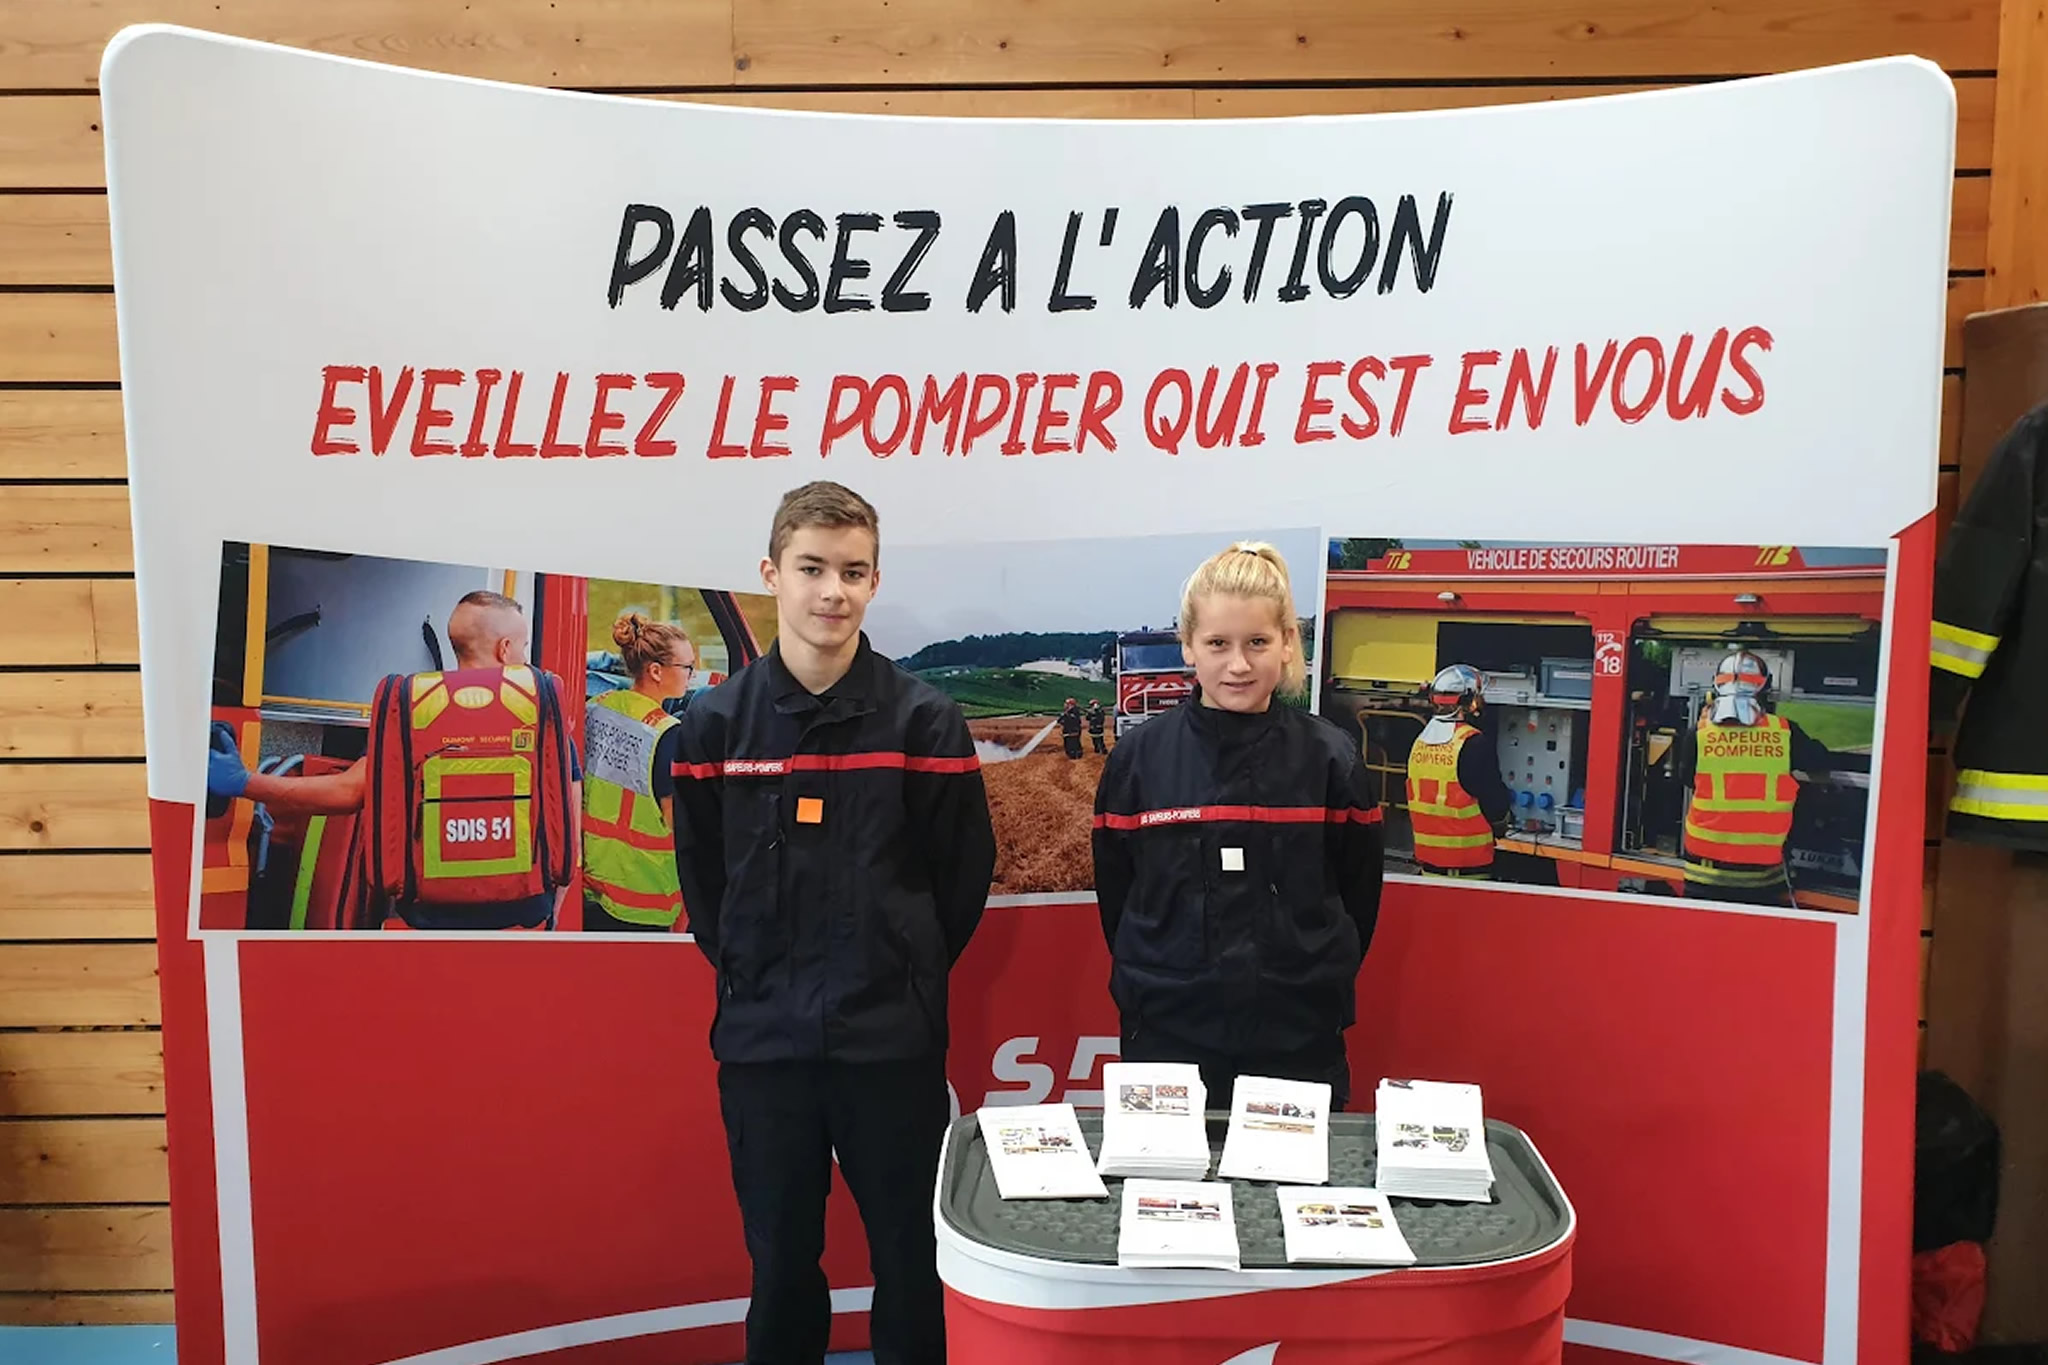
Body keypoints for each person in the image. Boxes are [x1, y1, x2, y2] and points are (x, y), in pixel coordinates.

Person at [670, 481, 996, 1365]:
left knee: (912, 1262)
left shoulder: (925, 721)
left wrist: (903, 967)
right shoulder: (714, 725)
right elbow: (704, 883)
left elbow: (961, 878)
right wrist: (754, 967)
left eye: (852, 572)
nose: (832, 591)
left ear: (874, 581)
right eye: (812, 568)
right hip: (764, 1048)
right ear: (771, 573)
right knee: (780, 1266)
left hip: (890, 1046)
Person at [1091, 542, 1384, 1111]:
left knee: (1292, 1174)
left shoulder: (1332, 759)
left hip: (1299, 1042)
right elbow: (1119, 897)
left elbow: (1358, 896)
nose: (1239, 665)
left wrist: (1310, 977)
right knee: (1167, 1174)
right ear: (1188, 646)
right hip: (1166, 1037)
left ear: (1288, 642)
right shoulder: (1138, 761)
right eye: (1218, 644)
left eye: (1257, 643)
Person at [204, 590, 582, 930]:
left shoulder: (415, 712)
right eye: (524, 646)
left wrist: (245, 782)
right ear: (505, 649)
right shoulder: (540, 717)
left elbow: (346, 792)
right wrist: (549, 919)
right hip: (523, 912)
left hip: (427, 916)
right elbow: (567, 830)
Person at [1677, 649, 1839, 906]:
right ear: (1766, 688)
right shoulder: (1785, 731)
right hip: (1761, 877)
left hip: (1702, 873)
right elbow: (1820, 760)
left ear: (1716, 686)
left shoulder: (1698, 733)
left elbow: (1687, 779)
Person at [581, 613, 696, 933]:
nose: (692, 675)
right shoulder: (667, 733)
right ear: (656, 671)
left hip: (590, 882)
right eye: (687, 667)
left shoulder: (597, 706)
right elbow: (679, 825)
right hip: (643, 897)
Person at [1404, 664, 1514, 879]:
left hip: (1429, 866)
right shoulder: (1473, 743)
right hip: (1467, 868)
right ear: (1469, 702)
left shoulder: (1420, 742)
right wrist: (1502, 823)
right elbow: (1495, 802)